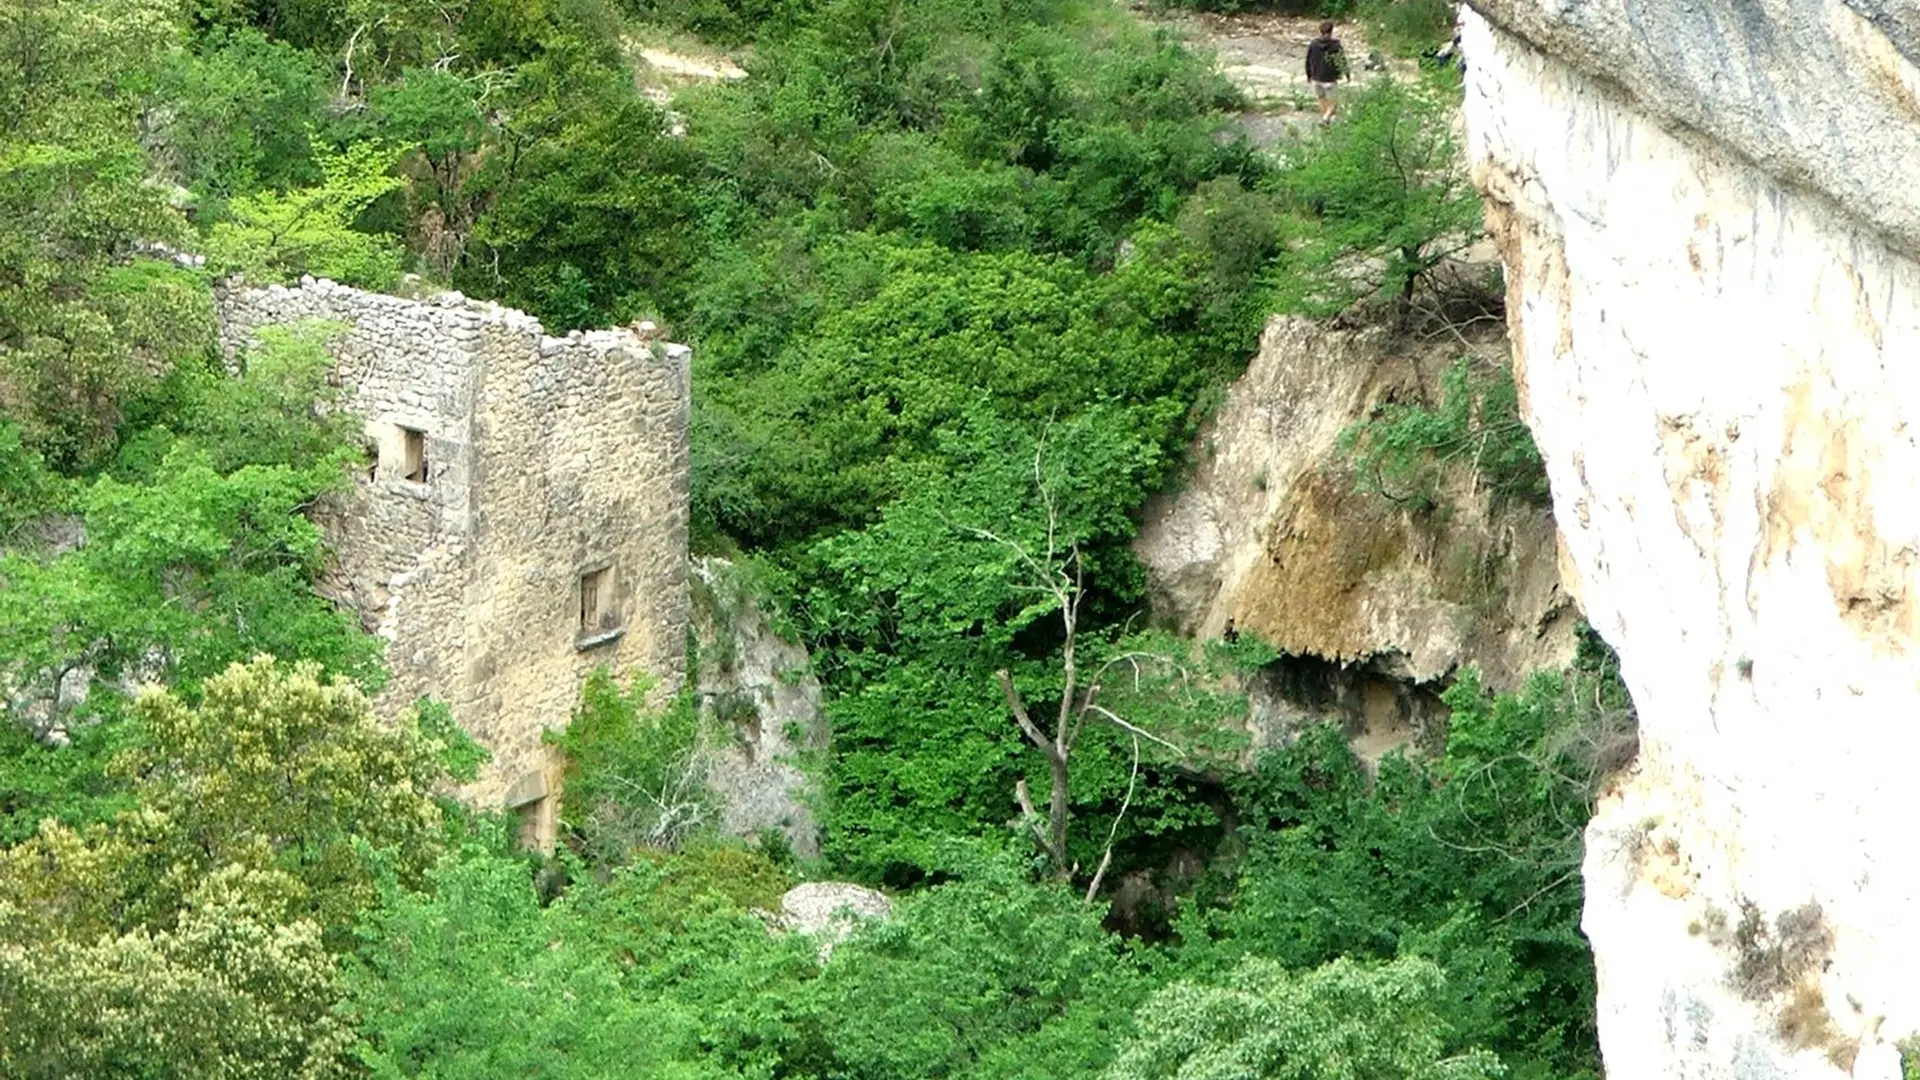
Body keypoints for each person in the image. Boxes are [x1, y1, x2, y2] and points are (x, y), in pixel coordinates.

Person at [1305, 20, 1348, 126]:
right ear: (1331, 31)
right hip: (1330, 79)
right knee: (1333, 103)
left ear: (1320, 31)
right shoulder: (1336, 45)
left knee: (1321, 100)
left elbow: (1308, 60)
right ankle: (1325, 119)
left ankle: (1324, 120)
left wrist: (1308, 74)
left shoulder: (1313, 44)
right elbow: (1342, 60)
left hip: (1316, 78)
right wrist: (1347, 74)